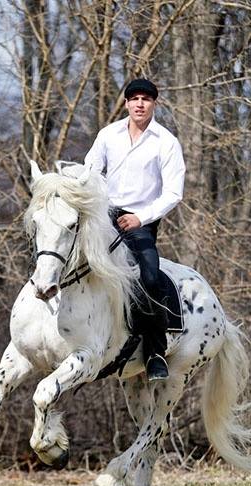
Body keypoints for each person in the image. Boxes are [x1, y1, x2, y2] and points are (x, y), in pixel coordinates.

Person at [84, 78, 185, 381]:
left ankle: (155, 352)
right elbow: (90, 171)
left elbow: (173, 193)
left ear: (155, 104)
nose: (140, 104)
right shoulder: (108, 135)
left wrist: (141, 217)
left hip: (140, 220)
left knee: (149, 276)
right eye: (135, 98)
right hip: (103, 214)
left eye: (146, 99)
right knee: (62, 251)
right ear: (126, 103)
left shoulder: (165, 142)